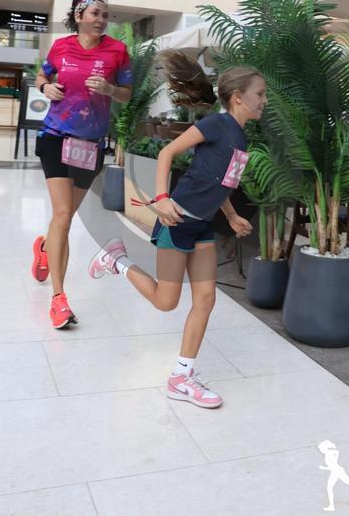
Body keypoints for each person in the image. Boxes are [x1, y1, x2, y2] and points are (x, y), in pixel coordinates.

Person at [88, 66, 267, 409]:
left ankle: (181, 377)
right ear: (238, 97)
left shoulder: (240, 136)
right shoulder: (216, 124)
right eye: (260, 94)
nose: (264, 101)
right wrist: (160, 198)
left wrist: (231, 216)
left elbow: (221, 183)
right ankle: (116, 261)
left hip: (202, 225)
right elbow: (167, 153)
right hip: (177, 221)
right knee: (166, 301)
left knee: (206, 299)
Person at [33, 0, 132, 329]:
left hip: (90, 144)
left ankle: (45, 245)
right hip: (55, 136)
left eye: (105, 14)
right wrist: (45, 88)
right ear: (79, 16)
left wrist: (109, 90)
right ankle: (59, 299)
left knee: (65, 217)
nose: (101, 20)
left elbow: (127, 94)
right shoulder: (61, 47)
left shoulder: (118, 51)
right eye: (95, 13)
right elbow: (41, 76)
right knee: (63, 215)